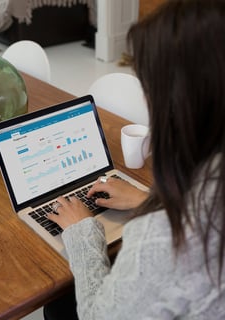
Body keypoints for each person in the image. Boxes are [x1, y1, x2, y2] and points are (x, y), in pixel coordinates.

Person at [43, 0, 225, 319]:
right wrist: (148, 199)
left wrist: (83, 230)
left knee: (58, 306)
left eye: (149, 86)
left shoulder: (165, 238)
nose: (145, 97)